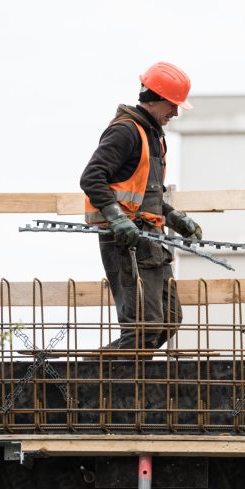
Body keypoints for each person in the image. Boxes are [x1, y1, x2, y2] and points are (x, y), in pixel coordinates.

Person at [80, 61, 202, 353]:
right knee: (143, 329)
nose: (175, 112)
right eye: (173, 105)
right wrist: (116, 218)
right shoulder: (125, 132)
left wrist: (175, 218)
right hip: (126, 244)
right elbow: (91, 177)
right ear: (156, 99)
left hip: (152, 243)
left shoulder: (153, 137)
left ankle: (103, 371)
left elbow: (147, 194)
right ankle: (94, 381)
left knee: (169, 320)